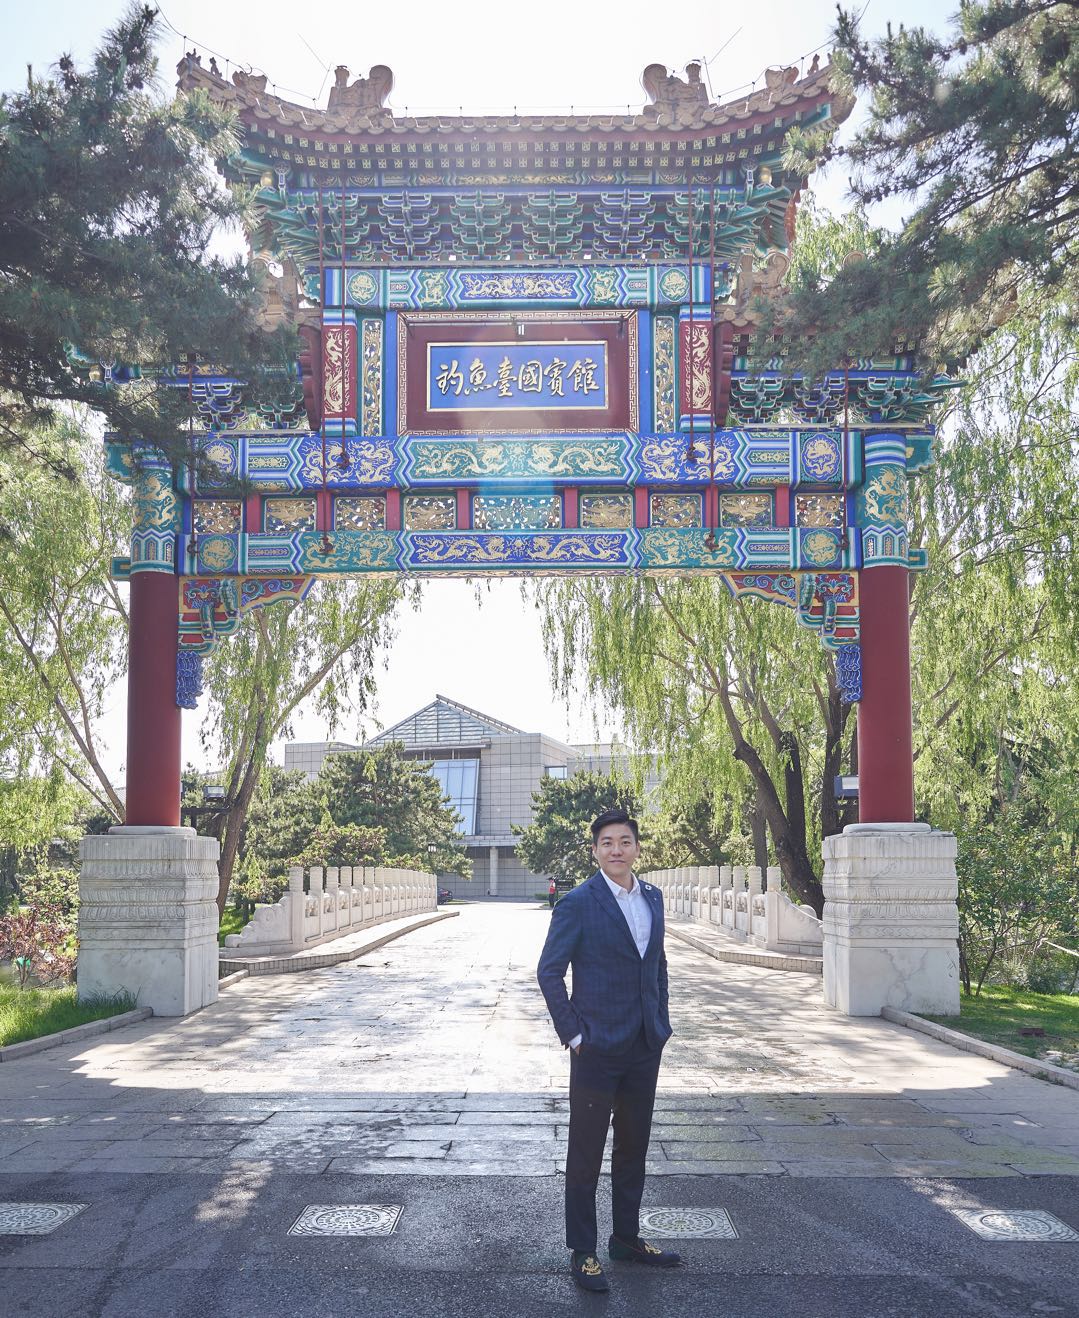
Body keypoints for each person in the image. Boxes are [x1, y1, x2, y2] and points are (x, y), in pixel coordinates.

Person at [536, 808, 680, 1293]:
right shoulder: (578, 902)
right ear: (595, 850)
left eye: (625, 841)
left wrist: (660, 1020)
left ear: (637, 847)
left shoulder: (653, 897)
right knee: (586, 1152)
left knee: (634, 1147)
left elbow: (656, 964)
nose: (617, 850)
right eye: (607, 843)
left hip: (644, 1045)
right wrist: (575, 1035)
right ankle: (583, 1250)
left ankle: (626, 1238)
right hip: (596, 1049)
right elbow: (549, 972)